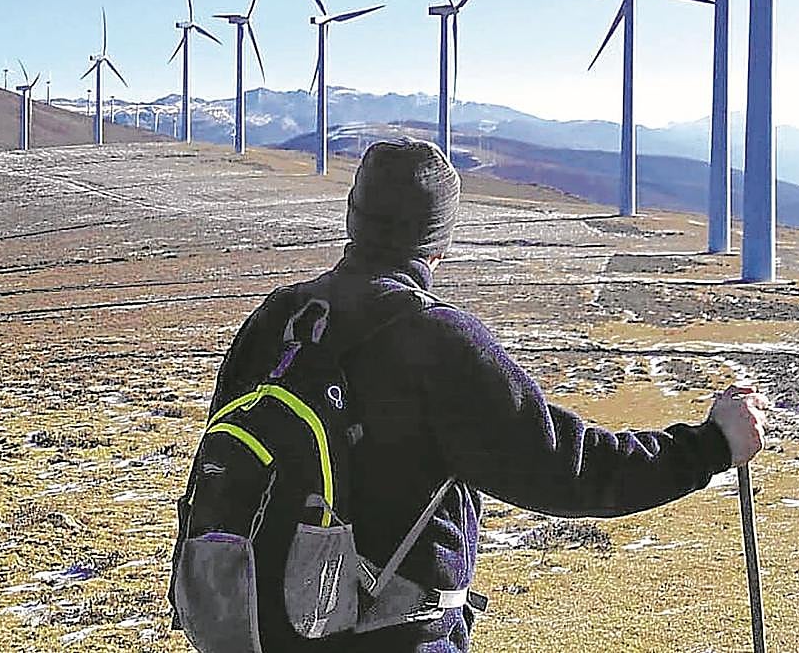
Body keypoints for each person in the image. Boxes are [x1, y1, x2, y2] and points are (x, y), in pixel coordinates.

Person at [210, 138, 769, 653]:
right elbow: (565, 469)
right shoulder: (434, 338)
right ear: (440, 239)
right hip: (390, 635)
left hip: (259, 624)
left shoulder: (278, 319)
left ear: (352, 216)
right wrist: (711, 446)